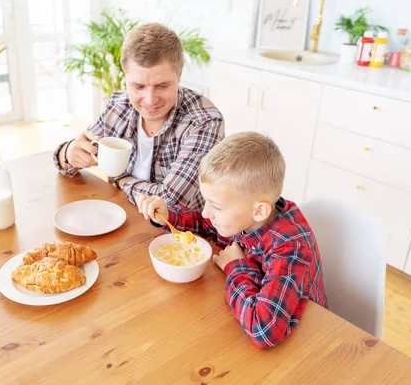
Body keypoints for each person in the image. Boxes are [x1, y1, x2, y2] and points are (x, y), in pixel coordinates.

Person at [137, 132, 327, 349]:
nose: (207, 213)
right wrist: (169, 216)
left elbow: (264, 329)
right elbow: (207, 225)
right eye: (206, 202)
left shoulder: (290, 247)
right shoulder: (247, 215)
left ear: (259, 210)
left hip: (308, 344)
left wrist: (235, 267)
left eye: (216, 206)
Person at [53, 23, 224, 211]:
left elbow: (170, 202)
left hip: (181, 234)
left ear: (179, 74)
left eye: (162, 85)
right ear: (126, 78)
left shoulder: (204, 121)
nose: (150, 100)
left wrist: (121, 181)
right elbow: (76, 154)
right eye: (138, 86)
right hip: (124, 216)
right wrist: (68, 153)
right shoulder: (119, 106)